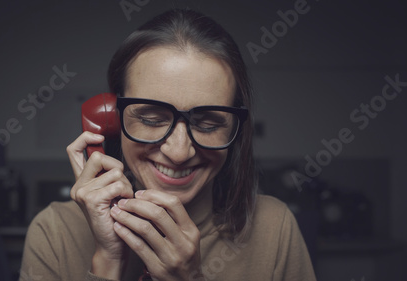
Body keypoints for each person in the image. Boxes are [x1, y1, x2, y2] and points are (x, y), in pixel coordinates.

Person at [19, 9, 316, 281]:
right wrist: (108, 262)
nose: (178, 152)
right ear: (112, 116)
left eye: (208, 123)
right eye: (151, 118)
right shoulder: (55, 232)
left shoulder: (274, 229)